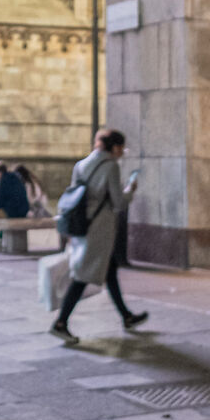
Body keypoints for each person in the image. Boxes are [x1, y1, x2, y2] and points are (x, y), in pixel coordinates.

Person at [51, 127, 148, 341]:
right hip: (99, 230)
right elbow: (118, 202)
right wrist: (130, 190)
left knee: (109, 270)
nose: (122, 153)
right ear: (115, 147)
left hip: (80, 226)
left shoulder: (81, 165)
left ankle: (126, 316)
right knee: (82, 277)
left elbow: (75, 196)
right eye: (121, 148)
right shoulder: (111, 166)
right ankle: (61, 322)